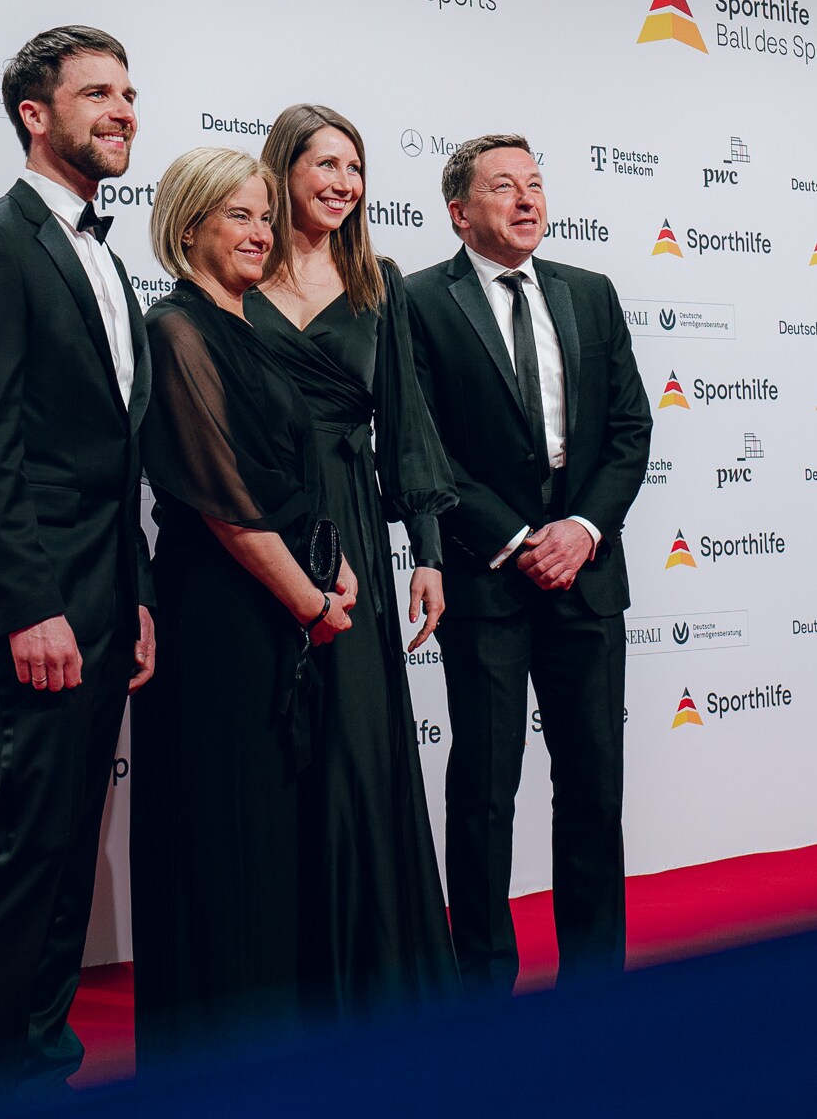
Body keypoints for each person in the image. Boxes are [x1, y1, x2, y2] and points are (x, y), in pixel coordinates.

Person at [0, 25, 155, 1114]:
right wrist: (29, 608)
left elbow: (114, 455)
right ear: (34, 112)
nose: (122, 110)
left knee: (67, 852)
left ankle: (41, 1066)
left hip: (108, 593)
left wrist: (138, 595)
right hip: (37, 605)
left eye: (128, 93)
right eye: (97, 93)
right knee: (31, 849)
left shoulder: (105, 254)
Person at [404, 135, 652, 995]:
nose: (526, 200)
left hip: (586, 578)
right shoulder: (417, 303)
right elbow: (418, 445)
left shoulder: (589, 293)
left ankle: (594, 984)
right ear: (458, 211)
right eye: (502, 187)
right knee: (481, 792)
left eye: (535, 185)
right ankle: (481, 987)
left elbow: (629, 430)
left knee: (591, 787)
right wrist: (513, 538)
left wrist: (581, 527)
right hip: (486, 580)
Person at [130, 147, 356, 1056]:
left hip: (282, 610)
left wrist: (329, 565)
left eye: (265, 215)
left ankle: (275, 1042)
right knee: (223, 830)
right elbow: (222, 499)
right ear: (189, 227)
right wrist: (308, 598)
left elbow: (292, 476)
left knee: (270, 831)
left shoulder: (249, 327)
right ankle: (218, 1058)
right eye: (237, 216)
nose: (261, 232)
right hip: (221, 617)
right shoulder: (177, 329)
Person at [245, 104, 459, 1018]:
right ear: (282, 169)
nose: (341, 182)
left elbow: (408, 428)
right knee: (275, 746)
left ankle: (373, 970)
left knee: (359, 746)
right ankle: (283, 972)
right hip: (253, 525)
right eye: (323, 163)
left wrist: (429, 554)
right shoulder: (235, 271)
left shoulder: (380, 282)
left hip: (356, 534)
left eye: (354, 167)